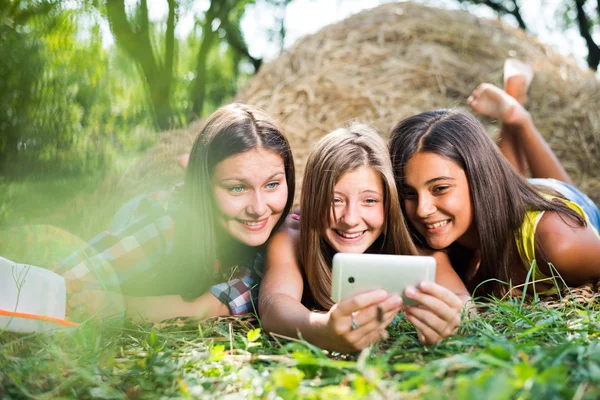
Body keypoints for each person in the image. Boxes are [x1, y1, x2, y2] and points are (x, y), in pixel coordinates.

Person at [60, 103, 295, 323]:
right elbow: (67, 278)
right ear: (204, 186)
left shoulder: (279, 240)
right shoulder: (163, 225)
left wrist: (122, 306)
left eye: (272, 184)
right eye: (237, 188)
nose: (258, 208)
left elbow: (213, 306)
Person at [389, 60, 600, 297]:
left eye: (440, 188)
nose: (422, 210)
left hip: (564, 205)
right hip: (506, 197)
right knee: (508, 184)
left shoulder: (559, 242)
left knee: (552, 193)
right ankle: (513, 112)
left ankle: (518, 118)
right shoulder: (420, 232)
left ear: (479, 178)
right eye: (409, 192)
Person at [259, 124, 469, 353]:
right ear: (313, 200)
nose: (350, 219)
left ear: (388, 204)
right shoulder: (291, 238)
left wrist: (453, 318)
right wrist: (321, 330)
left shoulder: (411, 239)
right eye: (335, 200)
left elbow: (463, 300)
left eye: (369, 201)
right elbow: (274, 306)